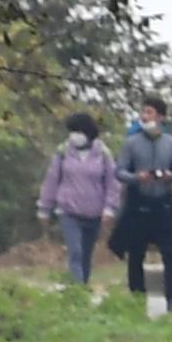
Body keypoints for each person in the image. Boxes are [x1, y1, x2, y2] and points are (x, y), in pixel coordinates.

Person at [112, 94, 172, 310]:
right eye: (143, 112)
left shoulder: (171, 144)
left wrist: (169, 176)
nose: (145, 117)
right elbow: (119, 171)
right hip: (138, 204)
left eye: (150, 112)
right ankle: (137, 300)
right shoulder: (131, 143)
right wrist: (137, 177)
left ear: (161, 117)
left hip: (162, 204)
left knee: (170, 254)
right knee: (135, 254)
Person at [36, 107, 120, 286]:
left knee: (87, 255)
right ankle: (77, 290)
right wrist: (44, 207)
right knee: (76, 252)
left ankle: (83, 286)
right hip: (68, 211)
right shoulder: (63, 152)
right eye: (72, 132)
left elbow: (112, 183)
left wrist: (110, 208)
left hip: (94, 213)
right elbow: (51, 180)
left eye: (77, 131)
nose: (74, 136)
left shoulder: (103, 154)